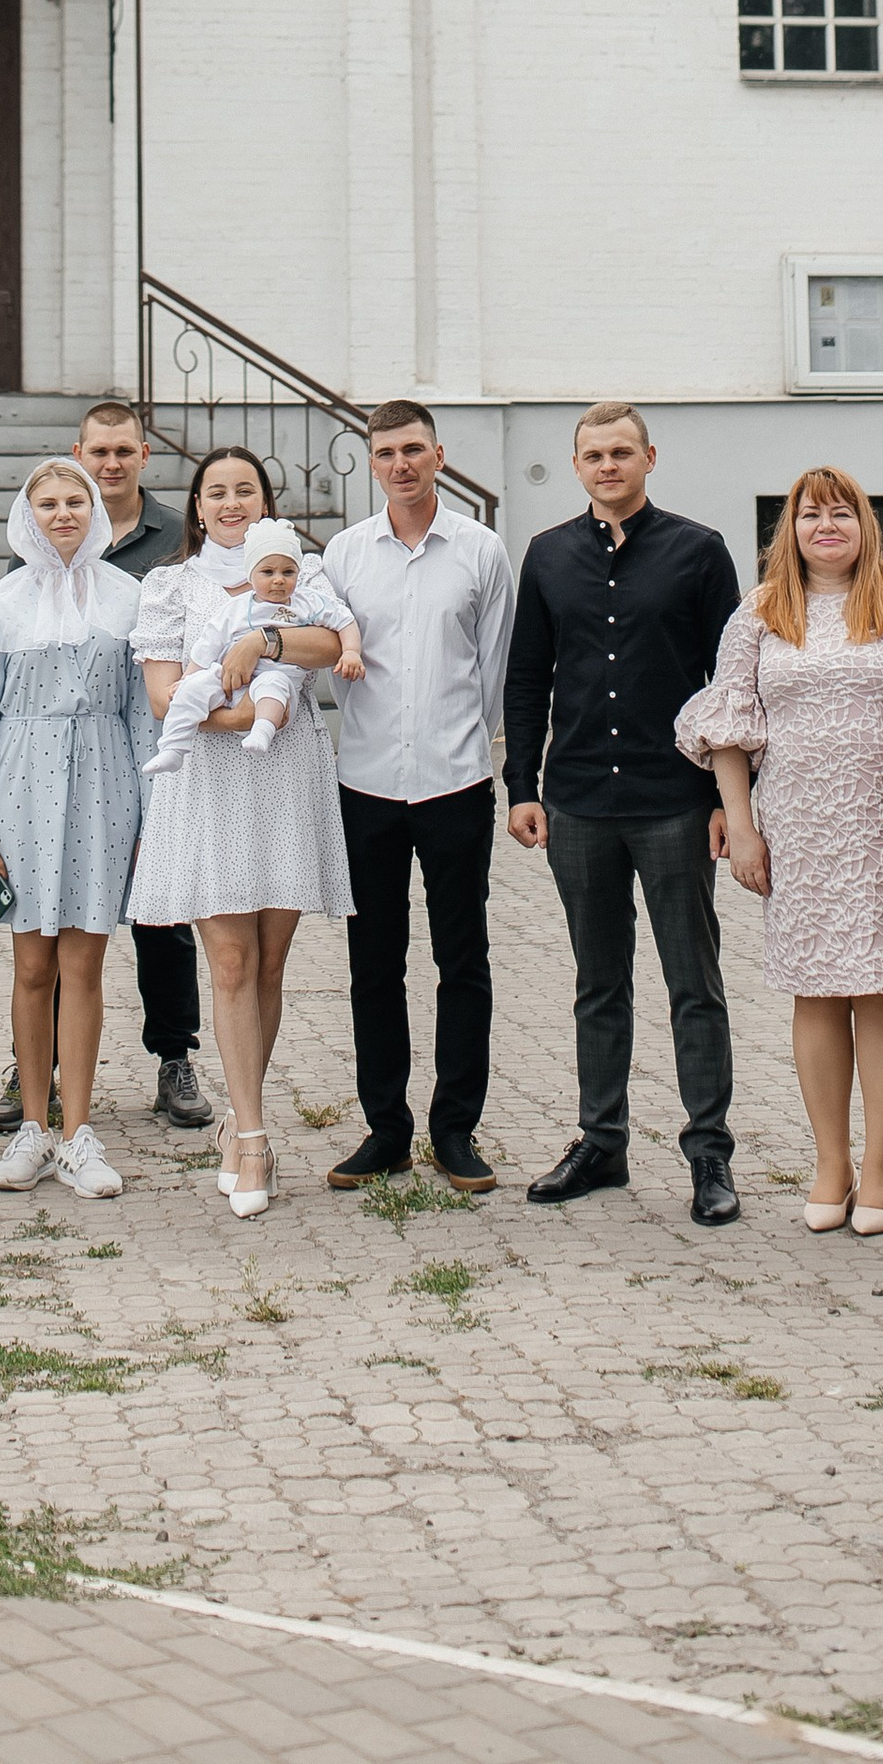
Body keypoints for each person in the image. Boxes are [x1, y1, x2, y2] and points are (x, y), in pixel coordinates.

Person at [677, 466, 883, 1236]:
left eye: (842, 514)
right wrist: (742, 825)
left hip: (880, 825)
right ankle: (832, 1161)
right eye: (810, 515)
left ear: (867, 523)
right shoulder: (759, 612)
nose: (827, 527)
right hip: (795, 826)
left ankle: (882, 1163)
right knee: (817, 991)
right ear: (787, 529)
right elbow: (728, 722)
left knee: (881, 986)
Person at [505, 403, 745, 1223]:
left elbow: (730, 685)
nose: (607, 465)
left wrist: (724, 797)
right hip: (576, 802)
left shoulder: (699, 551)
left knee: (694, 984)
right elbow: (528, 677)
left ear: (649, 457)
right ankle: (601, 1142)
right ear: (576, 466)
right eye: (593, 454)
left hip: (673, 802)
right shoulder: (546, 556)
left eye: (621, 452)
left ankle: (709, 1154)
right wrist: (522, 785)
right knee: (597, 983)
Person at [128, 452, 357, 1217]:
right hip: (211, 778)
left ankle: (239, 1113)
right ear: (196, 506)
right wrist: (242, 715)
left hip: (285, 777)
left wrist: (258, 647)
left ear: (265, 502)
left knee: (267, 966)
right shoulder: (171, 584)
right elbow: (165, 699)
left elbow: (329, 646)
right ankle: (255, 1137)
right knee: (227, 961)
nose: (230, 502)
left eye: (245, 491)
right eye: (215, 491)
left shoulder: (300, 566)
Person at [0, 398, 213, 1138]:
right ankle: (35, 1067)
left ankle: (174, 1054)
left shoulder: (178, 541)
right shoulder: (26, 568)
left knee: (160, 922)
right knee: (40, 935)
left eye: (123, 452)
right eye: (97, 454)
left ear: (143, 456)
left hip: (132, 755)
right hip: (33, 782)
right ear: (77, 456)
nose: (110, 464)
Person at [315, 401, 516, 1196]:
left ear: (439, 455)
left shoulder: (480, 549)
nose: (400, 465)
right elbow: (334, 658)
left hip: (456, 780)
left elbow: (493, 664)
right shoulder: (343, 554)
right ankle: (386, 1130)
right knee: (374, 963)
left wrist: (473, 746)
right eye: (386, 453)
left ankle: (455, 1130)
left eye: (413, 450)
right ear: (372, 463)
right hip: (364, 781)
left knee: (463, 958)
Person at [0, 457, 147, 1199]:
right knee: (32, 968)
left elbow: (141, 713)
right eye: (48, 504)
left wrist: (151, 819)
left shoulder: (128, 599)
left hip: (104, 787)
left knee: (84, 969)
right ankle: (32, 1127)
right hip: (20, 790)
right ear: (27, 517)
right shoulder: (2, 604)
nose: (62, 514)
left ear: (93, 510)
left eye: (74, 501)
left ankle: (77, 1133)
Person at [144, 520, 362, 774]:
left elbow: (344, 620)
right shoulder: (236, 607)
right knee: (194, 689)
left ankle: (262, 730)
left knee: (273, 684)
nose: (279, 580)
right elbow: (208, 644)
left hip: (278, 686)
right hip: (228, 682)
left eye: (288, 572)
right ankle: (174, 747)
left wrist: (351, 651)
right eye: (268, 572)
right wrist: (189, 677)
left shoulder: (308, 602)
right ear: (251, 574)